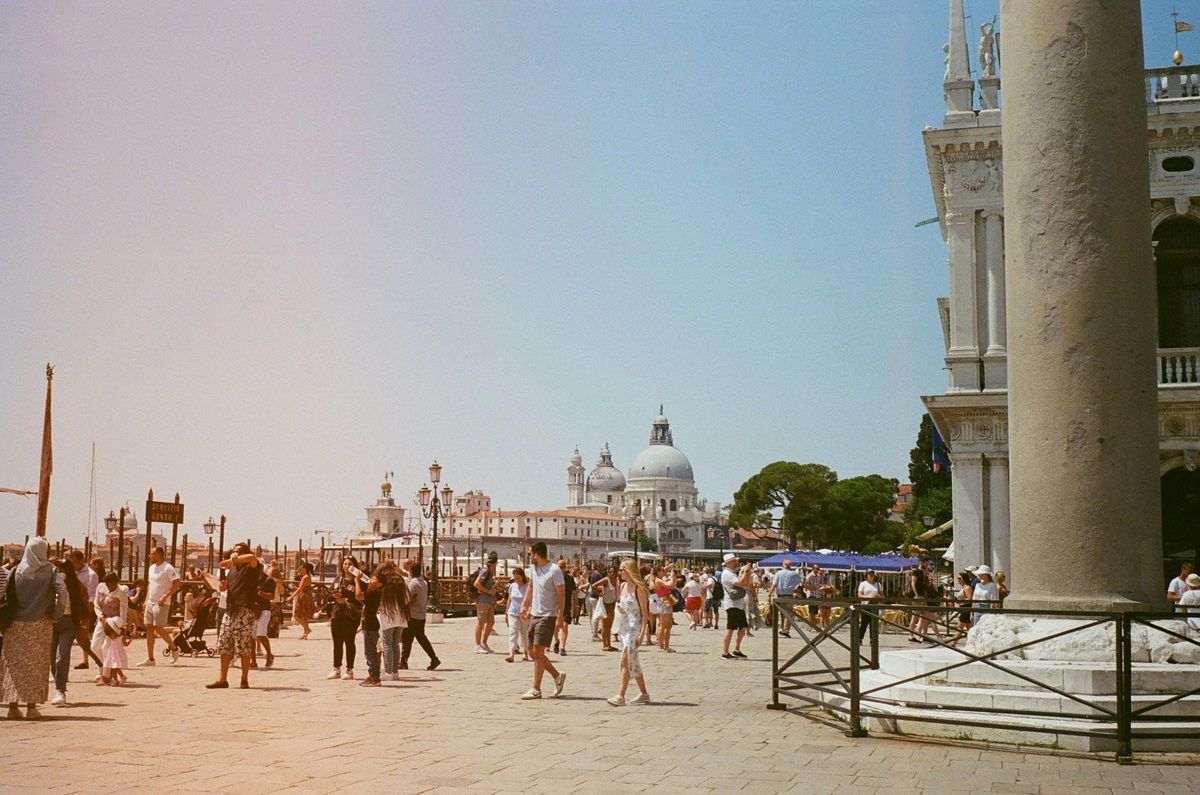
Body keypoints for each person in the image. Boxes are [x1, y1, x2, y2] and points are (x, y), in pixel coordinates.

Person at [1, 537, 65, 719]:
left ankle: (12, 707)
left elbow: (5, 595)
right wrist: (55, 614)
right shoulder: (50, 571)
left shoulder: (15, 570)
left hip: (14, 624)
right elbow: (63, 593)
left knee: (13, 666)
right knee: (36, 666)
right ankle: (31, 707)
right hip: (39, 624)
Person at [207, 544, 259, 689]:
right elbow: (226, 586)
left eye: (238, 552)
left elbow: (251, 558)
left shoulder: (252, 567)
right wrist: (222, 586)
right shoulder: (232, 570)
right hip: (230, 609)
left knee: (243, 646)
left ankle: (244, 679)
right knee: (224, 644)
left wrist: (233, 560)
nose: (234, 554)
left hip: (245, 610)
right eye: (234, 551)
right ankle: (222, 679)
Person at [518, 541, 566, 700]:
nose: (529, 556)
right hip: (534, 614)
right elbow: (531, 587)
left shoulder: (555, 570)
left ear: (537, 554)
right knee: (532, 653)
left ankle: (536, 689)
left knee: (538, 651)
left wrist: (559, 617)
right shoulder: (533, 569)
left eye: (530, 554)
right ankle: (557, 676)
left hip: (548, 615)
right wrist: (524, 605)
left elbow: (561, 595)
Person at [607, 559, 651, 706]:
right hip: (624, 628)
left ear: (629, 570)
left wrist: (643, 633)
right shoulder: (624, 585)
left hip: (635, 628)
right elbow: (623, 605)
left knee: (625, 660)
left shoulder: (639, 588)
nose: (620, 573)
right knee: (633, 662)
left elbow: (645, 614)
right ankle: (644, 693)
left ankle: (620, 696)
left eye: (622, 570)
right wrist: (620, 608)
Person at [50, 560, 90, 705]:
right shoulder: (48, 584)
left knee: (62, 655)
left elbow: (84, 604)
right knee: (52, 659)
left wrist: (83, 625)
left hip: (68, 622)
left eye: (62, 570)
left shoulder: (75, 585)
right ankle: (58, 686)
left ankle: (60, 691)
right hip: (51, 623)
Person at [140, 547, 180, 666]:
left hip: (162, 603)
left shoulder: (168, 568)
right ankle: (151, 659)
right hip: (150, 602)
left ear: (158, 554)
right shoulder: (151, 568)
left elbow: (177, 584)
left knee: (158, 627)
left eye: (152, 554)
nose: (149, 556)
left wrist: (165, 596)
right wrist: (146, 600)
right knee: (149, 628)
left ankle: (174, 648)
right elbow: (150, 585)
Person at [400, 559, 440, 671]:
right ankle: (434, 658)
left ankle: (403, 662)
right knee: (422, 639)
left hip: (412, 615)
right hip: (421, 615)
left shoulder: (413, 584)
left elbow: (408, 599)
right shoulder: (424, 582)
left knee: (407, 639)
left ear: (411, 572)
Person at [326, 557, 362, 680]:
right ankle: (336, 668)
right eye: (345, 564)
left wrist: (346, 600)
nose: (347, 566)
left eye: (350, 564)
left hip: (351, 616)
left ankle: (350, 669)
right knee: (337, 642)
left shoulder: (358, 581)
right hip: (337, 614)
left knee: (349, 641)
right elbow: (328, 594)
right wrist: (335, 596)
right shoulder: (338, 579)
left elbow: (361, 598)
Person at [93, 571, 129, 686]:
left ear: (116, 583)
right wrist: (100, 617)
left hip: (114, 623)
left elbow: (123, 610)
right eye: (107, 584)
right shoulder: (100, 587)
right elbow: (96, 604)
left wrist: (122, 627)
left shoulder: (122, 591)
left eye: (111, 584)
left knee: (107, 648)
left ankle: (105, 674)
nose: (109, 586)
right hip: (102, 619)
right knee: (94, 646)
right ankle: (103, 668)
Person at [376, 561, 410, 681]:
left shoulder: (383, 582)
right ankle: (395, 672)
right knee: (395, 643)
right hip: (400, 614)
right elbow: (408, 598)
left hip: (387, 614)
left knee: (387, 643)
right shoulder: (401, 580)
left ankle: (388, 671)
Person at [67, 550, 98, 671]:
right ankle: (85, 662)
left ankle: (100, 663)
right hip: (72, 610)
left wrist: (86, 615)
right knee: (74, 640)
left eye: (74, 562)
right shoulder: (72, 573)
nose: (73, 565)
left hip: (83, 611)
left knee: (84, 640)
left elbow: (92, 596)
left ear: (81, 561)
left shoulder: (91, 575)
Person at [720, 553, 752, 660]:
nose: (736, 563)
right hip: (732, 604)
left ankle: (736, 649)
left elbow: (746, 584)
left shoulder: (732, 572)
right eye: (734, 561)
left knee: (743, 627)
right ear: (728, 562)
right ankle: (725, 652)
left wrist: (746, 573)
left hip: (738, 604)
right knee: (731, 627)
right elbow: (741, 583)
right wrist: (746, 572)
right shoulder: (727, 573)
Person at [356, 563, 383, 687]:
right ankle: (372, 674)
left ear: (379, 583)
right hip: (369, 623)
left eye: (374, 579)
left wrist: (357, 581)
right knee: (369, 651)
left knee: (370, 651)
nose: (371, 580)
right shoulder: (373, 591)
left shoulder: (374, 593)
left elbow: (358, 595)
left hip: (371, 624)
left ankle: (375, 677)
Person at [503, 568, 531, 663]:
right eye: (515, 578)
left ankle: (525, 652)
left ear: (522, 576)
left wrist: (529, 612)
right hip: (513, 612)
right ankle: (511, 654)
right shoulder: (512, 586)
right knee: (513, 632)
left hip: (524, 613)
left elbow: (531, 601)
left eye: (518, 578)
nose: (516, 580)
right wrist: (506, 612)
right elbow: (510, 600)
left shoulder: (528, 587)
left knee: (524, 633)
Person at [472, 551, 498, 654]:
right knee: (481, 622)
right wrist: (488, 591)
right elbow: (476, 584)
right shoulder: (485, 571)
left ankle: (484, 643)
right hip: (482, 600)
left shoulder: (489, 572)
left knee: (491, 622)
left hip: (489, 601)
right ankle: (478, 645)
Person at [253, 563, 276, 668]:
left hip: (265, 610)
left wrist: (259, 593)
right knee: (251, 636)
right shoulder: (251, 580)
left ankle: (269, 654)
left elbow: (272, 596)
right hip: (253, 609)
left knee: (261, 634)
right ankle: (253, 660)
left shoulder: (269, 580)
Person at [651, 565, 675, 652]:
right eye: (662, 570)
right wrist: (672, 576)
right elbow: (670, 585)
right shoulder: (658, 580)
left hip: (667, 601)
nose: (664, 571)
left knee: (668, 625)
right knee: (663, 625)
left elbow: (663, 569)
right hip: (663, 602)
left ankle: (666, 646)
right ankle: (661, 646)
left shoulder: (659, 578)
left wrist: (669, 566)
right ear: (658, 572)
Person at [553, 558, 574, 656]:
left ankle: (562, 647)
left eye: (561, 567)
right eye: (558, 567)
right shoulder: (553, 577)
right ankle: (556, 641)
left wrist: (576, 605)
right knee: (555, 628)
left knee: (565, 626)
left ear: (565, 568)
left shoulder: (569, 579)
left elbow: (574, 592)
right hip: (555, 605)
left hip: (566, 605)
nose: (559, 569)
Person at [948, 571, 975, 647]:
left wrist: (960, 601)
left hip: (966, 608)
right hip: (963, 608)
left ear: (964, 579)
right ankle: (974, 642)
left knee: (960, 627)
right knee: (969, 628)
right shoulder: (964, 587)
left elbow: (970, 599)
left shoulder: (967, 587)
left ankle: (953, 643)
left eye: (959, 578)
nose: (958, 580)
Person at [856, 570, 883, 644]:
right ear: (867, 575)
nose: (871, 576)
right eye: (870, 574)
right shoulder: (863, 584)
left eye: (872, 574)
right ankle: (859, 638)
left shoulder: (878, 584)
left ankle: (873, 639)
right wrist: (869, 597)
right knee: (864, 623)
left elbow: (883, 596)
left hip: (875, 606)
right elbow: (859, 595)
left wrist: (879, 596)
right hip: (865, 605)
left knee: (873, 624)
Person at [803, 563, 832, 630]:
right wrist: (809, 588)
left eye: (818, 568)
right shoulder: (810, 576)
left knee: (815, 612)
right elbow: (805, 583)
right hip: (812, 595)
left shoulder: (818, 576)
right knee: (812, 612)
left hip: (817, 595)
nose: (818, 570)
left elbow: (820, 583)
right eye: (817, 568)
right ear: (813, 569)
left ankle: (814, 626)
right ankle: (811, 626)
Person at [292, 562, 315, 639]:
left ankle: (307, 629)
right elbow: (303, 588)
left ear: (304, 568)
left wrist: (291, 597)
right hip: (305, 596)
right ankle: (305, 633)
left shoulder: (305, 577)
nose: (300, 568)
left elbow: (299, 589)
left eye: (302, 567)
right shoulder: (306, 576)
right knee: (304, 616)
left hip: (304, 597)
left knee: (296, 614)